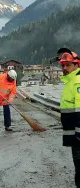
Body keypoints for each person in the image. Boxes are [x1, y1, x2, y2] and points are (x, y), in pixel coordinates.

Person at [57, 48, 80, 187]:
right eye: (63, 65)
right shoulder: (70, 81)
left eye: (68, 65)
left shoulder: (77, 82)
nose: (64, 68)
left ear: (77, 65)